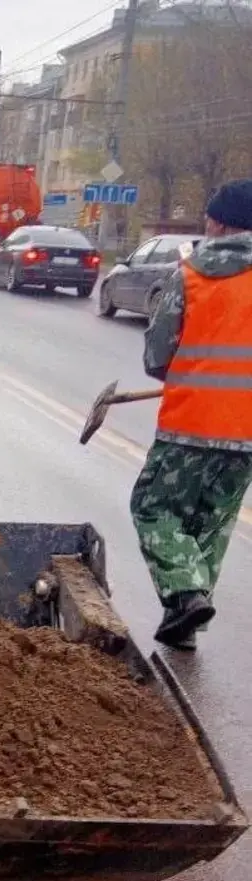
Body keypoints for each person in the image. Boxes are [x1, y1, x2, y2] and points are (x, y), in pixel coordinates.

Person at [132, 178, 252, 651]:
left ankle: (183, 594)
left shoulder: (192, 275)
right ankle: (186, 626)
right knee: (209, 525)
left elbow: (157, 356)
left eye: (208, 216)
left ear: (220, 223)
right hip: (246, 436)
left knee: (153, 508)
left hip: (190, 425)